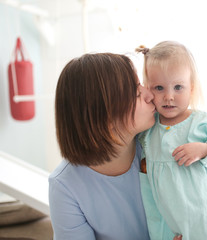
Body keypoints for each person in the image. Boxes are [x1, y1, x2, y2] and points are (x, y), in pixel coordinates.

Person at [49, 52, 182, 240]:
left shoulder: (161, 144)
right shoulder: (65, 187)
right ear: (105, 117)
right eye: (137, 93)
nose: (149, 94)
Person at [136, 41, 207, 240]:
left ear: (191, 89)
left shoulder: (202, 122)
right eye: (159, 88)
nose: (169, 96)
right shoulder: (148, 131)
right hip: (172, 228)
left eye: (178, 87)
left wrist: (205, 150)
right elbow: (151, 195)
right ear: (149, 89)